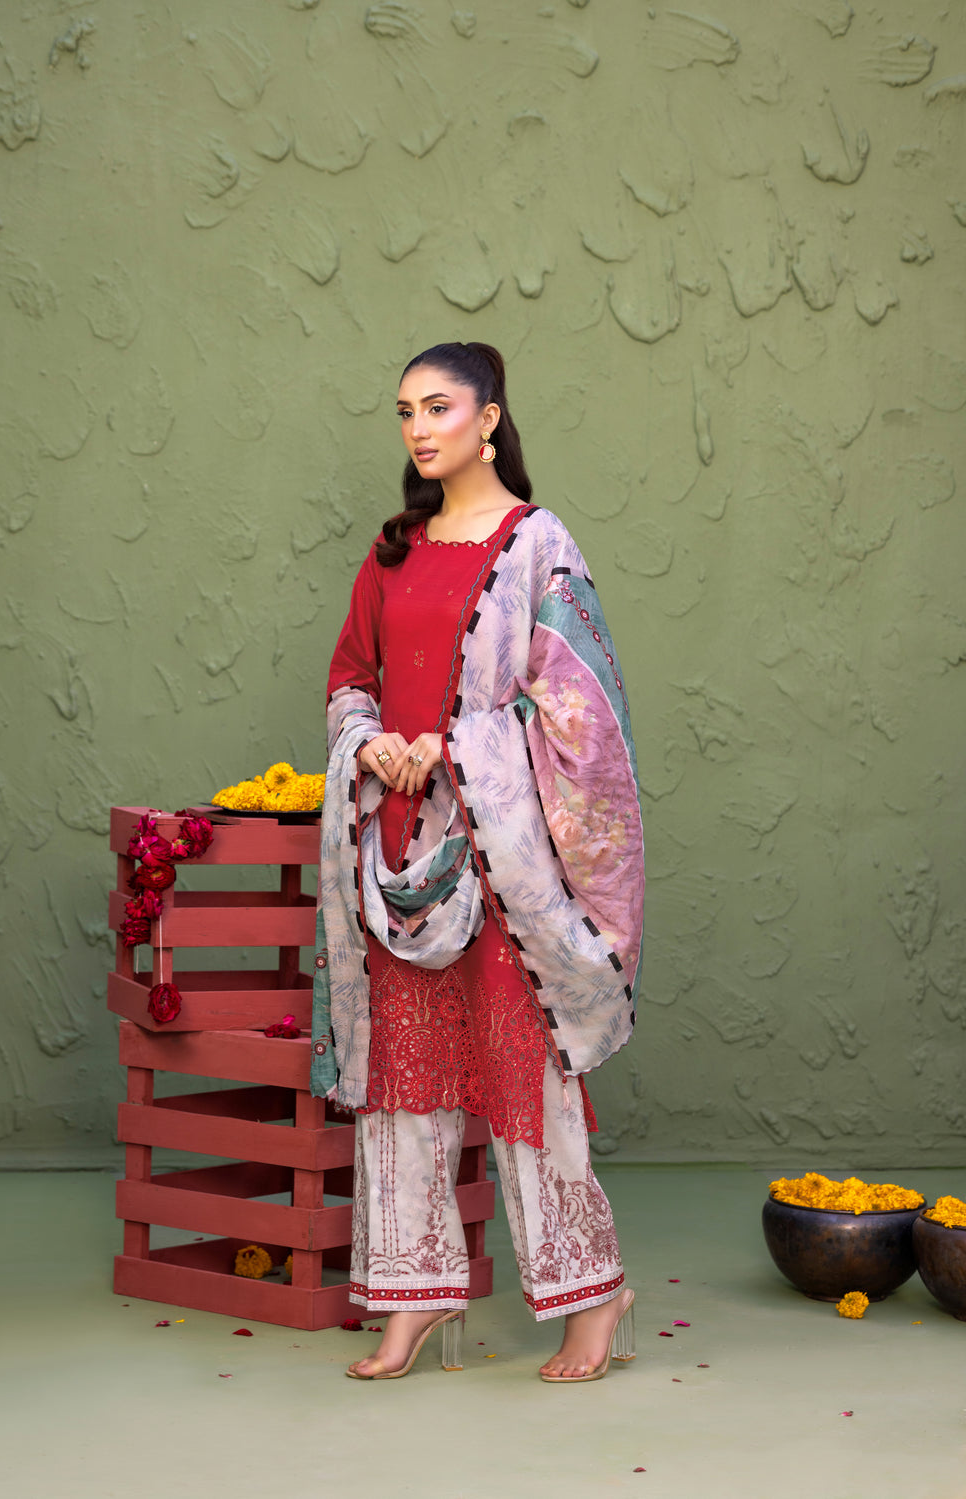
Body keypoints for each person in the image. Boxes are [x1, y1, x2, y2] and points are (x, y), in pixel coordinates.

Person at [311, 341, 644, 1382]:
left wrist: (453, 746)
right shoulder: (393, 549)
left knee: (521, 1069)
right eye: (405, 410)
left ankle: (593, 1294)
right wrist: (369, 741)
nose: (419, 428)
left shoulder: (538, 544)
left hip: (501, 856)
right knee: (402, 1074)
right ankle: (413, 1296)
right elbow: (350, 676)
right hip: (400, 847)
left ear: (490, 418)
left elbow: (579, 708)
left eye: (439, 407)